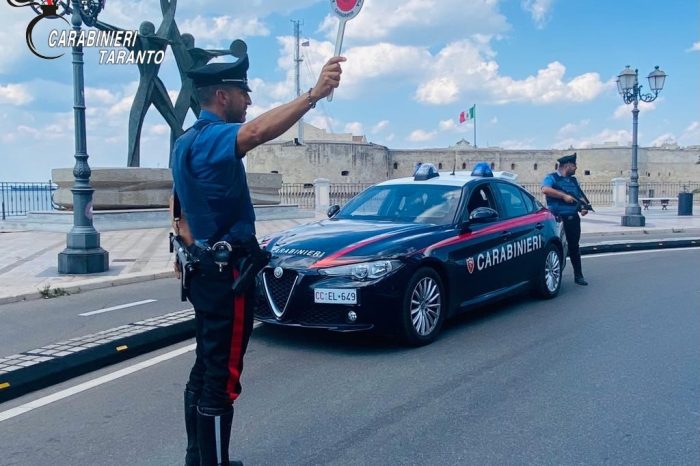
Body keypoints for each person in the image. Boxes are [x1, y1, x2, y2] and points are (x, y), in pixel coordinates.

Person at [170, 41, 345, 466]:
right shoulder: (212, 137)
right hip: (225, 278)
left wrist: (186, 254)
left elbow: (179, 210)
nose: (249, 100)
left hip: (205, 273)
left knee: (204, 369)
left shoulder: (183, 141)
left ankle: (198, 459)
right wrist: (312, 96)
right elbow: (257, 133)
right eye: (243, 92)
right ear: (222, 96)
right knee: (221, 380)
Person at [541, 152, 589, 286]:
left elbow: (578, 197)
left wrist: (583, 207)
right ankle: (554, 275)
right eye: (574, 166)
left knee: (574, 247)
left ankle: (578, 275)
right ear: (567, 165)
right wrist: (563, 196)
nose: (576, 168)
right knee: (555, 247)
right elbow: (545, 189)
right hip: (557, 219)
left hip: (572, 218)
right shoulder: (551, 177)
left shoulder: (573, 181)